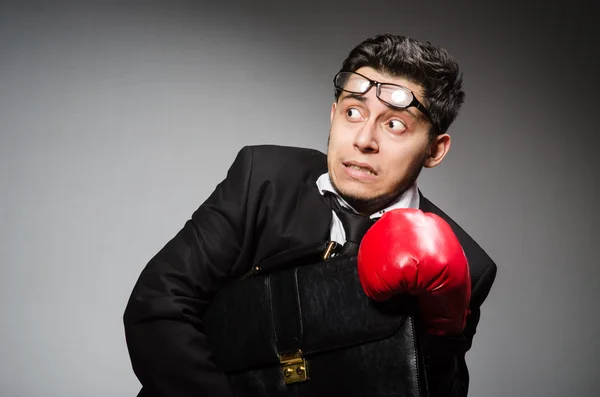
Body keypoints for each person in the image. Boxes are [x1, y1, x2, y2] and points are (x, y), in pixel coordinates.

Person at [123, 34, 497, 396]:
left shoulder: (468, 263)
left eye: (394, 124)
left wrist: (443, 331)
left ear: (434, 150)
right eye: (353, 112)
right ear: (333, 116)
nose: (364, 140)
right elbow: (159, 305)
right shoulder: (263, 179)